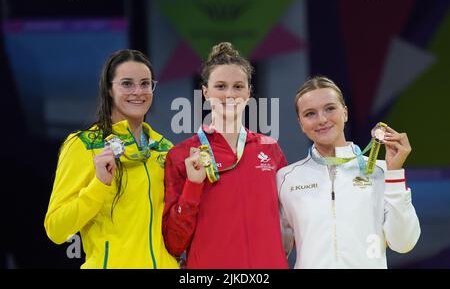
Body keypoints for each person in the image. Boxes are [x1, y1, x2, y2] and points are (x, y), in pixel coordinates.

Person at [44, 49, 178, 269]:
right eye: (127, 84)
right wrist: (99, 185)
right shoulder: (84, 145)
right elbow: (56, 229)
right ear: (108, 89)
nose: (138, 92)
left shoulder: (164, 149)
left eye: (145, 84)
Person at [162, 42, 288, 268]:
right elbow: (174, 244)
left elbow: (289, 224)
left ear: (249, 92)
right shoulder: (181, 156)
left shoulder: (270, 149)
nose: (229, 94)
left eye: (238, 86)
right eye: (220, 86)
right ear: (205, 92)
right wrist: (193, 184)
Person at [277, 76, 421, 269]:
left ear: (345, 113)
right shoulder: (286, 178)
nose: (322, 119)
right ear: (301, 124)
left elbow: (404, 243)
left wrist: (394, 174)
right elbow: (277, 249)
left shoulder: (382, 171)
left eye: (330, 108)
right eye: (310, 114)